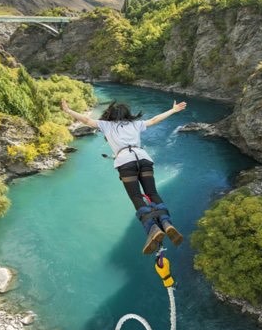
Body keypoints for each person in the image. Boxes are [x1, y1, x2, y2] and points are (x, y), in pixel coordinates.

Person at [61, 99, 187, 254]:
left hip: (125, 161)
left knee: (136, 197)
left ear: (111, 115)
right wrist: (173, 110)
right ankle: (167, 223)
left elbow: (86, 120)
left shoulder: (106, 125)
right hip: (143, 158)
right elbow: (154, 120)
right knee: (152, 193)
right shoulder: (136, 124)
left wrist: (68, 111)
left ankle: (152, 228)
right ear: (127, 114)